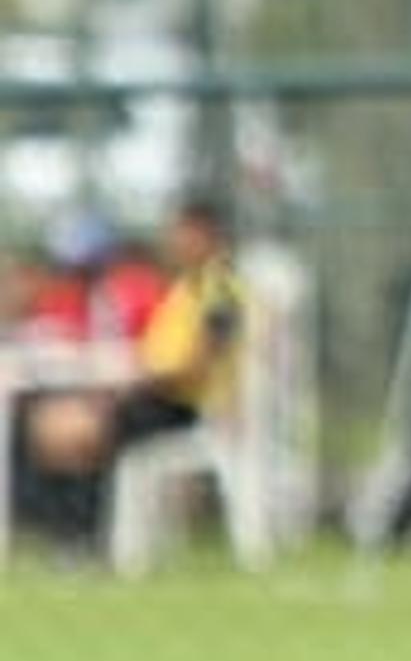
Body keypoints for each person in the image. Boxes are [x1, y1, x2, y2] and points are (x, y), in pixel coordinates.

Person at [12, 193, 240, 551]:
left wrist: (141, 381)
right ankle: (76, 535)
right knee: (54, 423)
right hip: (160, 395)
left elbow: (204, 356)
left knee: (68, 429)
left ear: (204, 233)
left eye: (180, 231)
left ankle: (84, 537)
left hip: (181, 406)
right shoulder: (188, 285)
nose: (173, 240)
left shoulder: (219, 286)